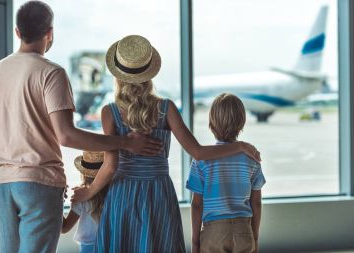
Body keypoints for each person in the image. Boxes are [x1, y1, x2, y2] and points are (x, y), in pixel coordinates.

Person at [0, 2, 161, 253]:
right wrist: (126, 142)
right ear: (50, 33)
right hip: (38, 181)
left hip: (1, 183)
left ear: (18, 32)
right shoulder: (51, 73)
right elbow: (66, 135)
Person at [72, 35, 261, 253]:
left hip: (123, 194)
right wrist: (239, 146)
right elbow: (198, 152)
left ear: (118, 76)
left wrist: (89, 192)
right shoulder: (166, 108)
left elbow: (111, 166)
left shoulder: (110, 112)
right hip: (158, 193)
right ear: (150, 72)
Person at [186, 93, 266, 253]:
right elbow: (256, 203)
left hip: (213, 232)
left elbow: (197, 205)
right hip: (243, 229)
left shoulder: (202, 160)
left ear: (211, 124)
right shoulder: (252, 158)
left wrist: (195, 242)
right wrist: (254, 238)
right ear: (242, 123)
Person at [62, 151, 108, 253]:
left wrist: (59, 197)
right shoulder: (116, 195)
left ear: (84, 174)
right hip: (113, 245)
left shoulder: (81, 197)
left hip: (88, 248)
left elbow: (64, 228)